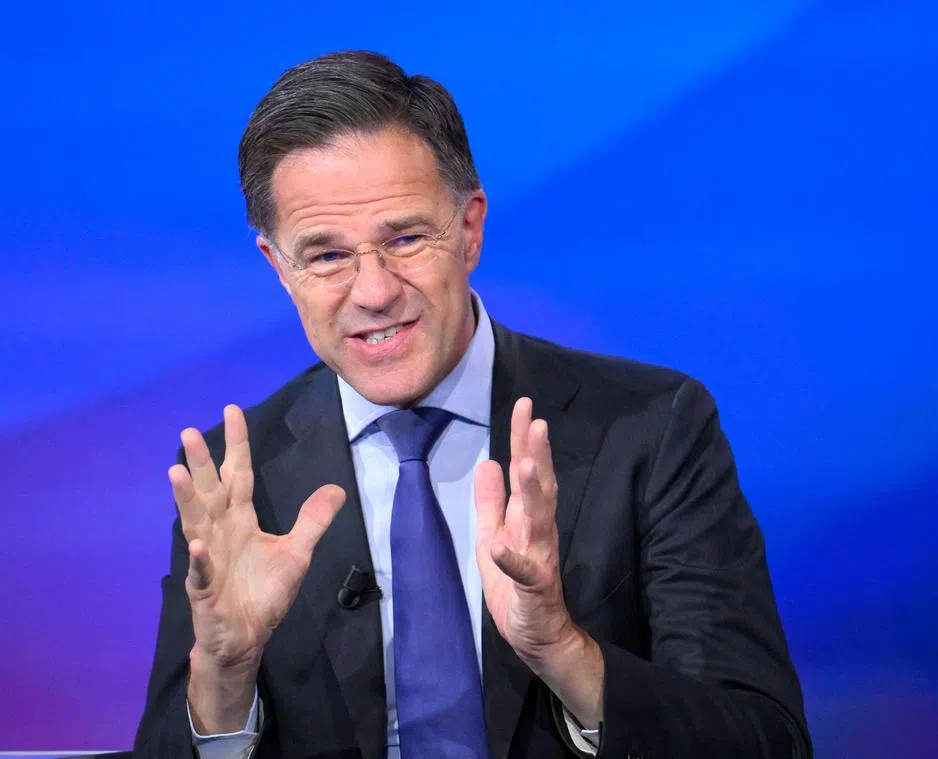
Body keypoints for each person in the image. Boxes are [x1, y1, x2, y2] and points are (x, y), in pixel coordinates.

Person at [133, 50, 812, 759]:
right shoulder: (239, 479)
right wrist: (226, 674)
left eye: (404, 238)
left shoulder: (650, 428)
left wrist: (563, 650)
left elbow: (767, 742)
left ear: (469, 229)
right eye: (327, 256)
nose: (374, 291)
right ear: (279, 267)